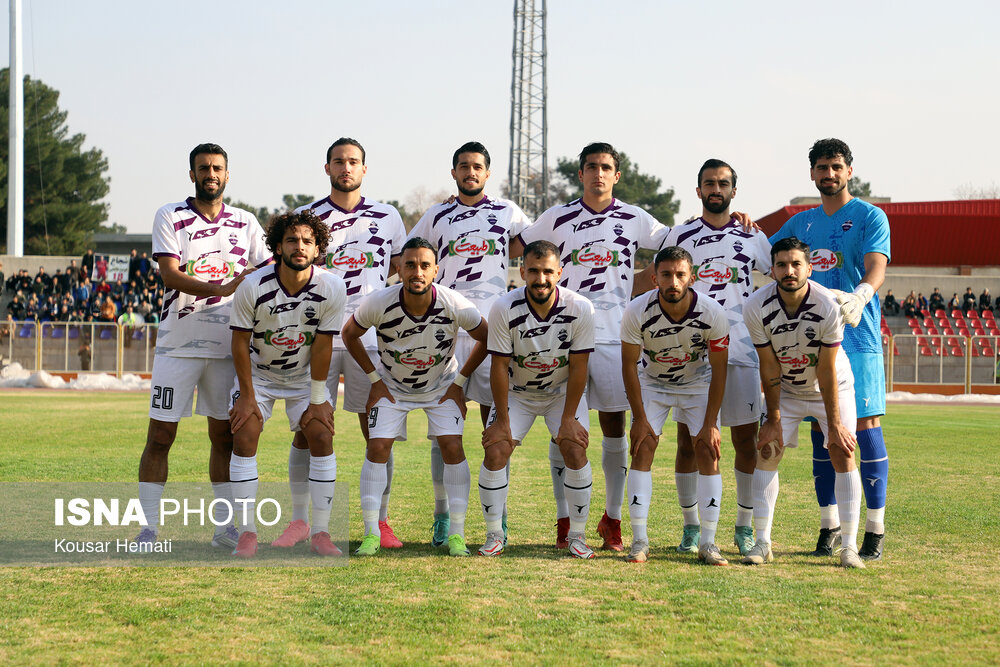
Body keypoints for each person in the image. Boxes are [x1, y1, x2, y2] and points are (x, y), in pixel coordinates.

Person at [517, 142, 670, 551]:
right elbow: (514, 245)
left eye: (605, 167)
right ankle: (565, 519)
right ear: (580, 174)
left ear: (616, 175)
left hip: (614, 336)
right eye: (591, 167)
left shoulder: (635, 218)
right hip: (562, 337)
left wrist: (733, 220)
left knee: (614, 428)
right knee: (564, 431)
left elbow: (680, 244)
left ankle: (613, 519)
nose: (598, 174)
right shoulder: (557, 217)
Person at [269, 138, 409, 551]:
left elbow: (402, 269)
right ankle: (300, 521)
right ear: (326, 168)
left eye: (353, 161)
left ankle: (379, 522)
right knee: (307, 429)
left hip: (371, 338)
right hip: (318, 338)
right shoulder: (307, 218)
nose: (346, 168)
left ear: (364, 169)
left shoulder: (388, 216)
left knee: (377, 432)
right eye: (338, 161)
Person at [135, 143, 271, 547]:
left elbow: (268, 271)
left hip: (229, 349)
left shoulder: (246, 222)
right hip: (177, 346)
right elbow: (169, 274)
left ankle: (224, 528)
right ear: (192, 174)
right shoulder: (170, 215)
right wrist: (221, 288)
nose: (211, 174)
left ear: (227, 175)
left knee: (224, 438)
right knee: (160, 436)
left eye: (217, 168)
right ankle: (148, 528)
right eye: (203, 168)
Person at [769, 138, 890, 561]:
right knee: (823, 431)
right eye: (822, 167)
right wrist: (740, 223)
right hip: (812, 341)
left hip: (858, 337)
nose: (829, 174)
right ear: (812, 174)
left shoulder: (870, 216)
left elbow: (876, 265)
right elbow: (761, 254)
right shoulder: (800, 222)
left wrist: (862, 293)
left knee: (865, 428)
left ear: (849, 171)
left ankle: (874, 528)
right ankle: (830, 525)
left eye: (836, 167)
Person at [407, 141, 531, 546]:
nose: (470, 172)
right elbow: (408, 255)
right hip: (445, 330)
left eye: (477, 166)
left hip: (493, 331)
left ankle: (498, 517)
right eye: (463, 166)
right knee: (444, 431)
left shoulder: (508, 212)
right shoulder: (436, 214)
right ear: (454, 173)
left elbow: (534, 247)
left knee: (495, 430)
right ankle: (442, 516)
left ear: (487, 173)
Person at [651, 159, 771, 557]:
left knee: (745, 441)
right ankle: (691, 527)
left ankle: (743, 526)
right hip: (691, 353)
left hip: (741, 351)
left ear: (733, 191)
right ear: (698, 190)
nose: (715, 189)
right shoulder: (681, 234)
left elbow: (781, 275)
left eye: (722, 183)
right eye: (709, 183)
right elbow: (658, 278)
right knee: (690, 441)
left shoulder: (752, 234)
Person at [342, 238, 488, 557]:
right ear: (399, 268)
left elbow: (487, 337)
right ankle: (371, 532)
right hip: (392, 387)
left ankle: (457, 534)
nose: (417, 272)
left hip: (441, 386)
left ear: (436, 270)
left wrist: (459, 383)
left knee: (452, 446)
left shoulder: (454, 303)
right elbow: (349, 335)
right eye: (410, 265)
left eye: (424, 266)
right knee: (377, 446)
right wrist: (374, 380)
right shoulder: (379, 302)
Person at [227, 210, 347, 558]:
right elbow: (239, 343)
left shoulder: (332, 287)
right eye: (292, 240)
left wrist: (318, 398)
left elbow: (323, 345)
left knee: (321, 435)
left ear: (318, 249)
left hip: (303, 376)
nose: (300, 246)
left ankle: (320, 531)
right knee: (244, 433)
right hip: (260, 375)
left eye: (308, 241)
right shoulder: (252, 286)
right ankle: (247, 533)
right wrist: (247, 396)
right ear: (278, 246)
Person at [741, 237, 865, 568]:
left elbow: (826, 369)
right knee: (767, 450)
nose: (789, 271)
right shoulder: (755, 306)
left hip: (832, 387)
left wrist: (835, 424)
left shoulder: (828, 304)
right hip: (787, 390)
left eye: (796, 264)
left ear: (809, 269)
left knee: (842, 451)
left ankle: (849, 547)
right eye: (781, 265)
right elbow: (768, 365)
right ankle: (762, 543)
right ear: (772, 270)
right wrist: (773, 418)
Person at [479, 241, 596, 558]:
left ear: (559, 273)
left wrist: (568, 420)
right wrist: (502, 422)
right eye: (533, 271)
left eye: (547, 272)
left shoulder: (580, 307)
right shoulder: (503, 307)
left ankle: (577, 536)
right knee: (496, 449)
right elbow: (499, 366)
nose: (540, 279)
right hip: (518, 393)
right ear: (522, 272)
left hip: (561, 394)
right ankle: (494, 534)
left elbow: (580, 368)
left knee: (575, 447)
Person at [621, 246, 730, 564]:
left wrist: (710, 423)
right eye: (666, 274)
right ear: (654, 278)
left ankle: (708, 543)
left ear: (692, 278)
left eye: (680, 274)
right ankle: (639, 540)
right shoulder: (636, 310)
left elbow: (720, 369)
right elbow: (628, 365)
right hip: (653, 382)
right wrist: (639, 418)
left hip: (697, 383)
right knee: (642, 446)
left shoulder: (712, 312)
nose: (673, 281)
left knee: (707, 450)